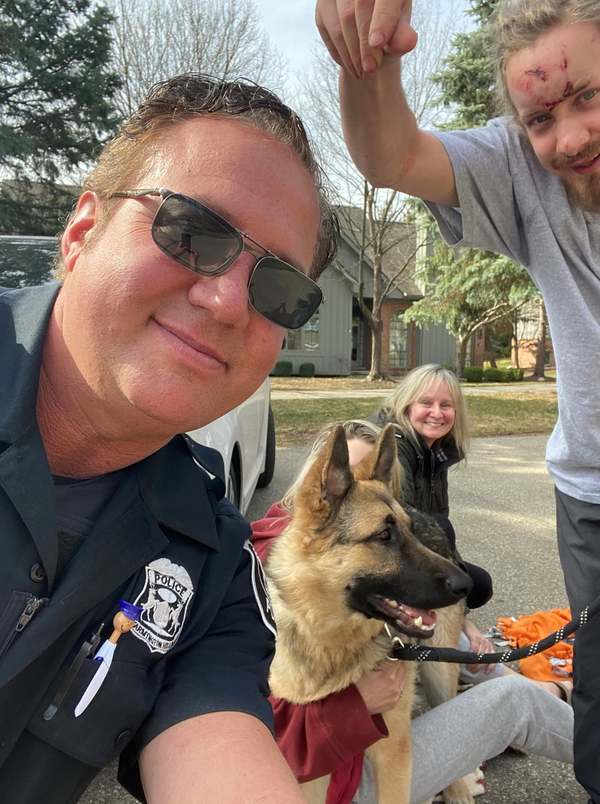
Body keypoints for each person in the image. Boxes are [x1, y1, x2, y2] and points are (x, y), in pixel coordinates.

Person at [0, 73, 339, 803]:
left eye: (278, 288)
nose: (224, 301)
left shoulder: (211, 574)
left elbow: (218, 753)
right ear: (81, 232)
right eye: (192, 232)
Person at [315, 0, 600, 797]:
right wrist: (368, 61)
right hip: (593, 496)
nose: (568, 137)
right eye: (541, 116)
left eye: (588, 95)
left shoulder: (441, 451)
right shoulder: (528, 173)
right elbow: (391, 155)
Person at [251, 420, 574, 804]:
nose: (359, 486)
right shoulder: (250, 602)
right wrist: (355, 706)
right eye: (347, 480)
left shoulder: (268, 553)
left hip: (367, 759)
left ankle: (547, 688)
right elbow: (258, 742)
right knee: (514, 698)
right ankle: (550, 692)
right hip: (344, 788)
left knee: (447, 639)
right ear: (318, 487)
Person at [376, 364, 573, 699]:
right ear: (407, 403)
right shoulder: (395, 450)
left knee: (476, 584)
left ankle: (502, 683)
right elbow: (418, 541)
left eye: (447, 405)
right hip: (383, 571)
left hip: (406, 567)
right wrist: (462, 620)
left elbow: (439, 540)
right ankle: (532, 694)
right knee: (453, 611)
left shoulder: (432, 451)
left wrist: (464, 615)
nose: (437, 413)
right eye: (427, 403)